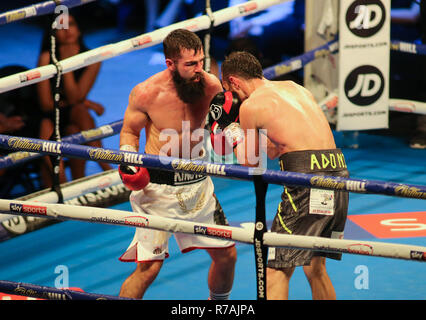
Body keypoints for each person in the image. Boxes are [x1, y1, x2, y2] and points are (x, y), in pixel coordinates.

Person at [211, 51, 349, 300]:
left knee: (275, 270)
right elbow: (276, 148)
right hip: (339, 173)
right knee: (315, 268)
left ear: (234, 81)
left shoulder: (252, 105)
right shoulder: (294, 87)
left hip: (307, 181)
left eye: (229, 89)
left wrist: (229, 128)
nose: (232, 97)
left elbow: (248, 161)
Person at [117, 29, 237, 300]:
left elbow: (222, 126)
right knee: (148, 269)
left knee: (226, 255)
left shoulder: (211, 86)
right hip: (156, 189)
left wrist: (229, 133)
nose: (200, 69)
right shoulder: (146, 93)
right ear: (170, 64)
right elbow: (130, 133)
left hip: (198, 186)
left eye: (201, 61)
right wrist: (128, 159)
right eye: (190, 64)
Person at [36, 14, 111, 188]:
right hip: (47, 118)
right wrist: (64, 64)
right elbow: (46, 105)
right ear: (52, 33)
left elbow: (76, 97)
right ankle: (107, 168)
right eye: (61, 27)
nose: (67, 30)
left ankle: (79, 183)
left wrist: (66, 65)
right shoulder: (47, 58)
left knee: (75, 126)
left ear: (79, 28)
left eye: (71, 24)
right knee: (79, 112)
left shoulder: (92, 59)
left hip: (71, 115)